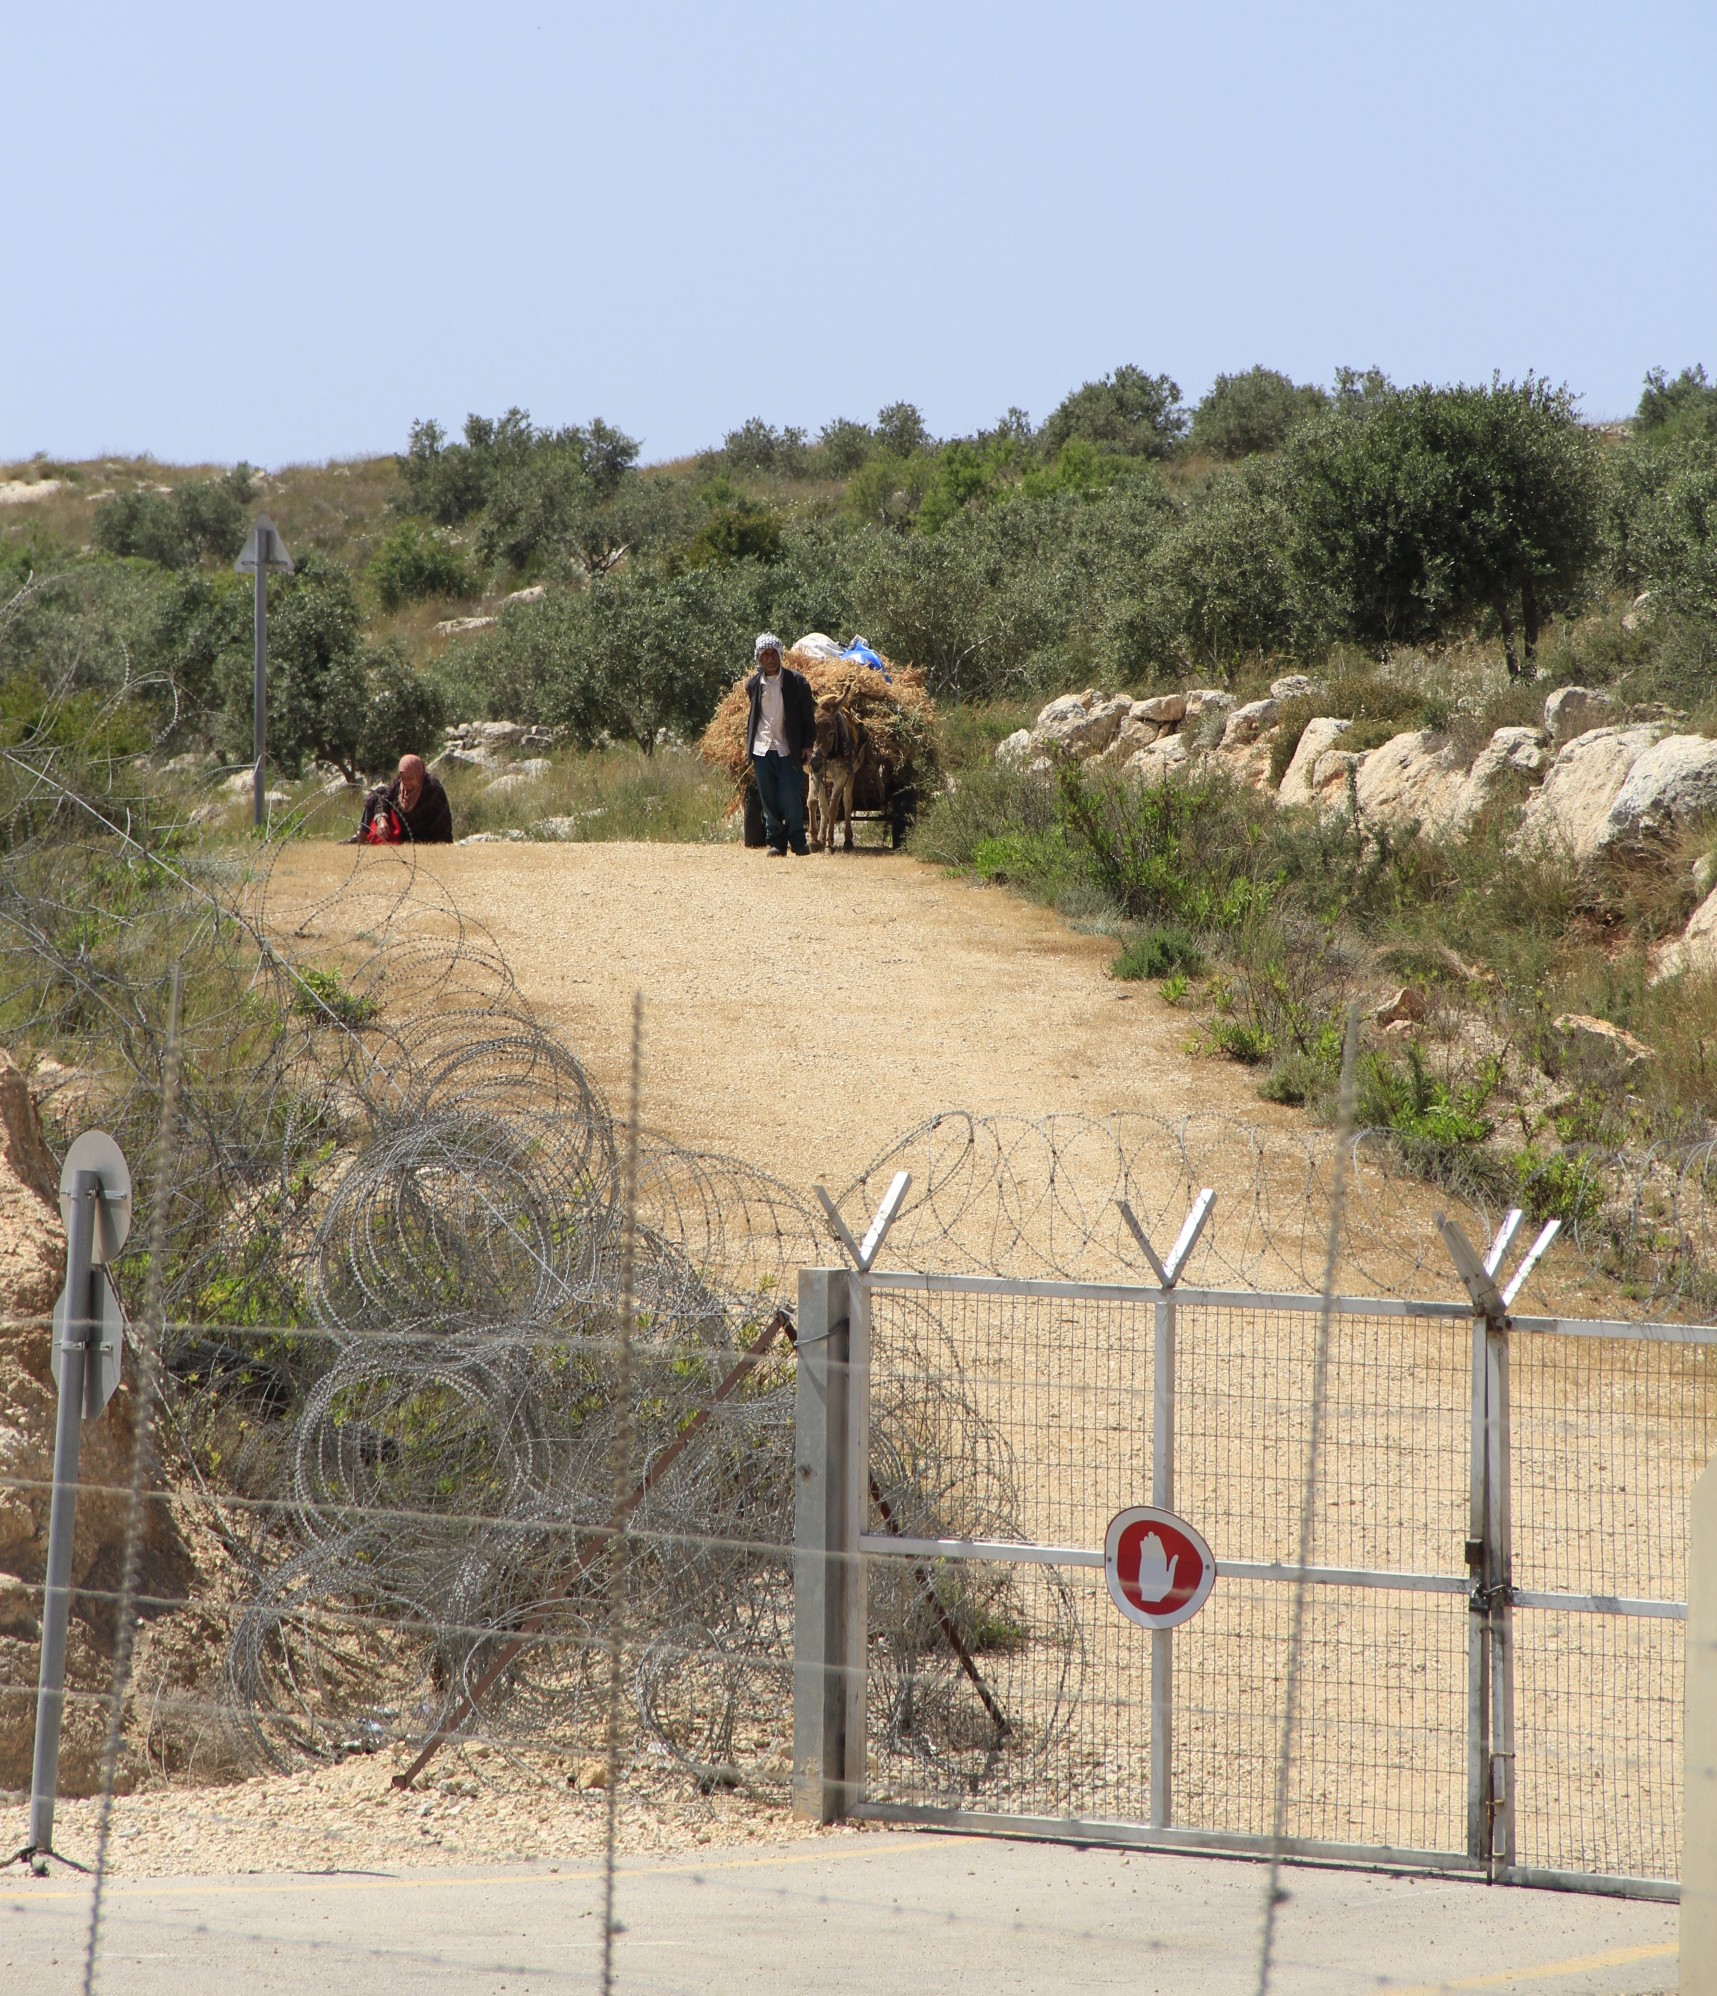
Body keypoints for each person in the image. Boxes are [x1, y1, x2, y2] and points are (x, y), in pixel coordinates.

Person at [744, 633, 816, 857]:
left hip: (788, 748)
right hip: (762, 749)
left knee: (790, 796)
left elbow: (808, 717)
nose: (770, 658)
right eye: (765, 654)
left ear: (780, 655)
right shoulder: (754, 685)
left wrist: (807, 745)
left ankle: (798, 841)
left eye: (773, 653)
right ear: (759, 658)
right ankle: (776, 842)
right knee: (768, 798)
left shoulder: (797, 682)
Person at [347, 753, 454, 845]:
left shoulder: (432, 788)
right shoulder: (398, 783)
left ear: (419, 775)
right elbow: (385, 798)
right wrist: (381, 820)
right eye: (404, 778)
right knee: (379, 792)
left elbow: (443, 826)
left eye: (411, 778)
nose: (407, 782)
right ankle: (362, 833)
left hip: (423, 838)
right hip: (399, 833)